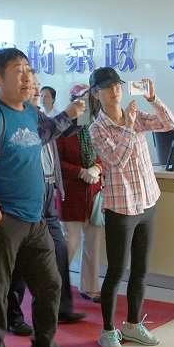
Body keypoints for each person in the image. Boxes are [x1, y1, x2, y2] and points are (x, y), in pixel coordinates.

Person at [0, 47, 82, 347]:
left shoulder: (31, 112)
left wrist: (70, 113)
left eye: (29, 70)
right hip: (5, 221)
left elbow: (50, 134)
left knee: (50, 285)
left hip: (36, 220)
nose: (28, 77)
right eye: (19, 70)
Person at [89, 67, 174, 347]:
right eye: (107, 86)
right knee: (116, 271)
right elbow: (116, 161)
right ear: (96, 94)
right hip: (121, 207)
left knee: (141, 270)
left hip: (147, 202)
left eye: (117, 84)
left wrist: (153, 99)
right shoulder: (97, 128)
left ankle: (133, 325)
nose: (114, 90)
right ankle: (107, 331)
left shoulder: (136, 114)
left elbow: (168, 123)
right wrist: (128, 125)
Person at [5, 74, 86, 336]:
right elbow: (39, 137)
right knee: (20, 257)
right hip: (27, 192)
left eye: (38, 87)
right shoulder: (15, 117)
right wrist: (66, 115)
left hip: (49, 190)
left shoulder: (37, 114)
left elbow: (63, 131)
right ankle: (13, 316)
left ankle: (60, 308)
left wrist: (79, 114)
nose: (36, 91)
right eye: (32, 87)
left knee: (59, 249)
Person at [57, 83, 104, 303]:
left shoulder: (96, 126)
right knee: (69, 244)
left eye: (88, 100)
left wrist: (97, 168)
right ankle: (54, 288)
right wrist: (80, 172)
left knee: (93, 244)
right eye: (80, 100)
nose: (84, 105)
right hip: (71, 196)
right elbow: (57, 162)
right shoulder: (62, 129)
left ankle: (90, 287)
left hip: (94, 195)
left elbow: (104, 155)